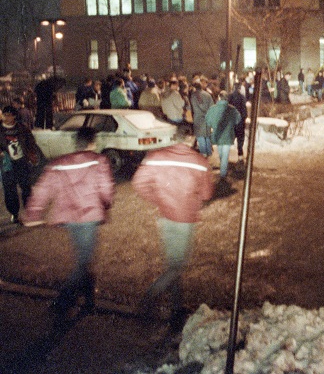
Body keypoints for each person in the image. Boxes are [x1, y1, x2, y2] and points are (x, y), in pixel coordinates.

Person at [23, 127, 114, 321]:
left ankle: (89, 301)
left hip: (69, 218)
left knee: (84, 259)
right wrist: (105, 204)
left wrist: (33, 213)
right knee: (83, 262)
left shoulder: (58, 164)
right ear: (92, 143)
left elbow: (42, 189)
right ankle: (61, 302)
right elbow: (106, 189)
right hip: (89, 216)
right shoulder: (98, 160)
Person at [132, 125, 214, 326]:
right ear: (191, 138)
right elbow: (206, 194)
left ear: (173, 137)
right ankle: (149, 297)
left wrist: (158, 199)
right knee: (177, 267)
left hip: (166, 215)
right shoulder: (200, 162)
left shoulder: (156, 156)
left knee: (172, 265)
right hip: (185, 219)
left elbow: (138, 183)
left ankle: (177, 308)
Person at [0, 105, 45, 224]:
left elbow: (31, 142)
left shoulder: (22, 128)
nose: (6, 117)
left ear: (14, 116)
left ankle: (28, 211)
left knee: (26, 188)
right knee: (10, 190)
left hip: (22, 162)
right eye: (5, 115)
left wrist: (32, 155)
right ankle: (14, 213)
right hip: (7, 164)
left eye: (9, 115)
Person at [205, 91, 242, 179]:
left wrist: (213, 124)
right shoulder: (232, 109)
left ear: (219, 97)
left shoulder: (213, 108)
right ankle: (223, 172)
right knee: (225, 154)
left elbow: (208, 120)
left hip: (217, 134)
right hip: (228, 135)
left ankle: (223, 171)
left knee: (221, 153)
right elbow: (238, 119)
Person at [189, 81, 214, 158]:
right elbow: (212, 107)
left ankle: (204, 153)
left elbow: (190, 108)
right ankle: (209, 152)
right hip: (207, 118)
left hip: (198, 118)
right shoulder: (208, 95)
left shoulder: (193, 96)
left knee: (200, 136)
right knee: (207, 135)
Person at [227, 83, 248, 168]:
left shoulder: (229, 96)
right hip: (239, 122)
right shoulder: (242, 97)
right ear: (239, 88)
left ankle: (225, 157)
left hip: (231, 122)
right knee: (240, 141)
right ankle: (240, 157)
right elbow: (244, 111)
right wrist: (243, 119)